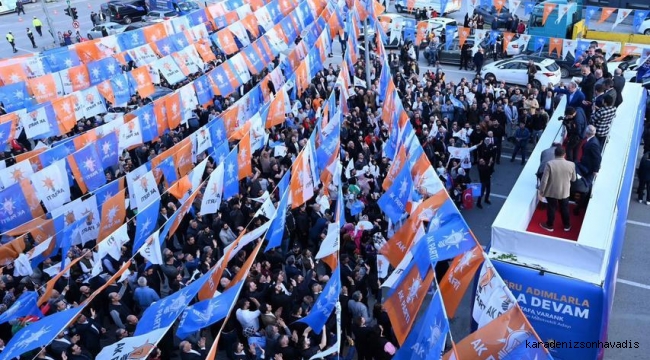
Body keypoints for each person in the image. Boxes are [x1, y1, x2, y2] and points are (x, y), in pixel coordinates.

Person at [538, 147, 577, 232]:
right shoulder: (571, 164)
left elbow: (544, 180)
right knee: (565, 208)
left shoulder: (549, 164)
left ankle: (550, 225)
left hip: (551, 191)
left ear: (555, 154)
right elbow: (574, 179)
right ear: (564, 154)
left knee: (551, 208)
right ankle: (567, 225)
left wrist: (541, 191)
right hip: (565, 191)